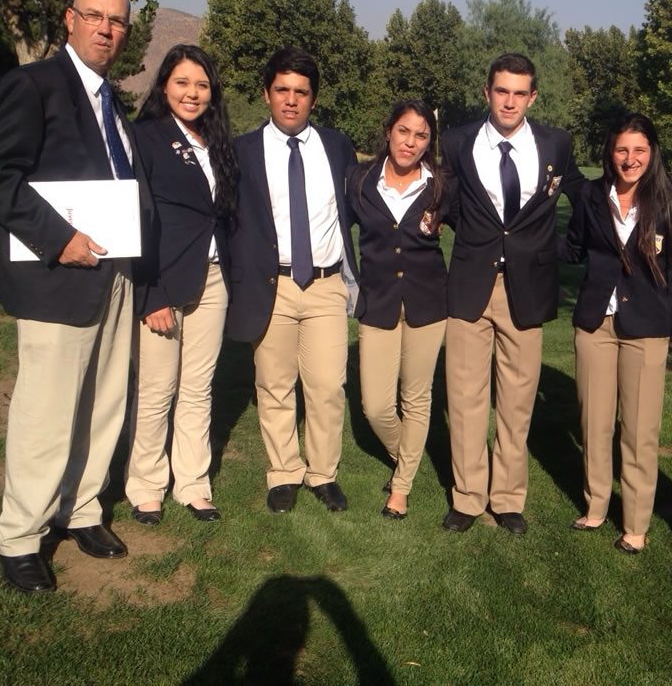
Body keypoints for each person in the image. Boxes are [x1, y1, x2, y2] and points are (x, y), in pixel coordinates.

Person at [0, 0, 145, 593]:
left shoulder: (112, 101)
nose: (106, 29)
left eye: (117, 22)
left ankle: (82, 508)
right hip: (57, 275)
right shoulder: (34, 85)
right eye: (94, 16)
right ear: (70, 20)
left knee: (104, 403)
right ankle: (20, 536)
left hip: (115, 274)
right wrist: (58, 237)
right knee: (46, 412)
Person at [439, 53, 584, 535]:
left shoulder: (556, 143)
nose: (509, 101)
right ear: (487, 92)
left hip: (529, 287)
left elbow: (581, 197)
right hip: (470, 285)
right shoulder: (457, 141)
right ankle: (467, 497)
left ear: (533, 97)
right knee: (465, 398)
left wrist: (565, 246)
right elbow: (448, 202)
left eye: (520, 93)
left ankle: (506, 498)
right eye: (502, 91)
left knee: (517, 401)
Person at [225, 47, 359, 514]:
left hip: (325, 284)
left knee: (327, 386)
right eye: (282, 90)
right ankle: (284, 472)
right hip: (271, 284)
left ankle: (323, 473)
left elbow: (357, 207)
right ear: (266, 94)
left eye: (301, 92)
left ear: (313, 99)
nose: (291, 100)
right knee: (274, 384)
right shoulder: (241, 151)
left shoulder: (337, 146)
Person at [564, 113, 672, 552]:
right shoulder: (590, 195)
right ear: (610, 151)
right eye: (622, 149)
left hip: (646, 329)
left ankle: (636, 525)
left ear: (653, 152)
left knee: (639, 431)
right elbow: (573, 247)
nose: (630, 158)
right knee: (594, 423)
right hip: (595, 325)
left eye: (639, 150)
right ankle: (596, 506)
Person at [125, 45, 238, 525]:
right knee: (157, 389)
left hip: (213, 280)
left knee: (197, 388)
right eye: (182, 82)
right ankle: (146, 484)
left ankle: (192, 483)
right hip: (163, 280)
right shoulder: (145, 138)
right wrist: (149, 293)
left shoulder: (217, 141)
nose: (192, 93)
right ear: (164, 86)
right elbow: (135, 218)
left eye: (202, 85)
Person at [348, 99, 452, 518]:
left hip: (429, 304)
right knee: (375, 406)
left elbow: (474, 232)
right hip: (378, 304)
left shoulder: (441, 185)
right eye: (404, 131)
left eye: (421, 135)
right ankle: (406, 454)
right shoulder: (360, 181)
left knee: (416, 397)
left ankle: (401, 486)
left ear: (429, 142)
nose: (410, 142)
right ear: (389, 131)